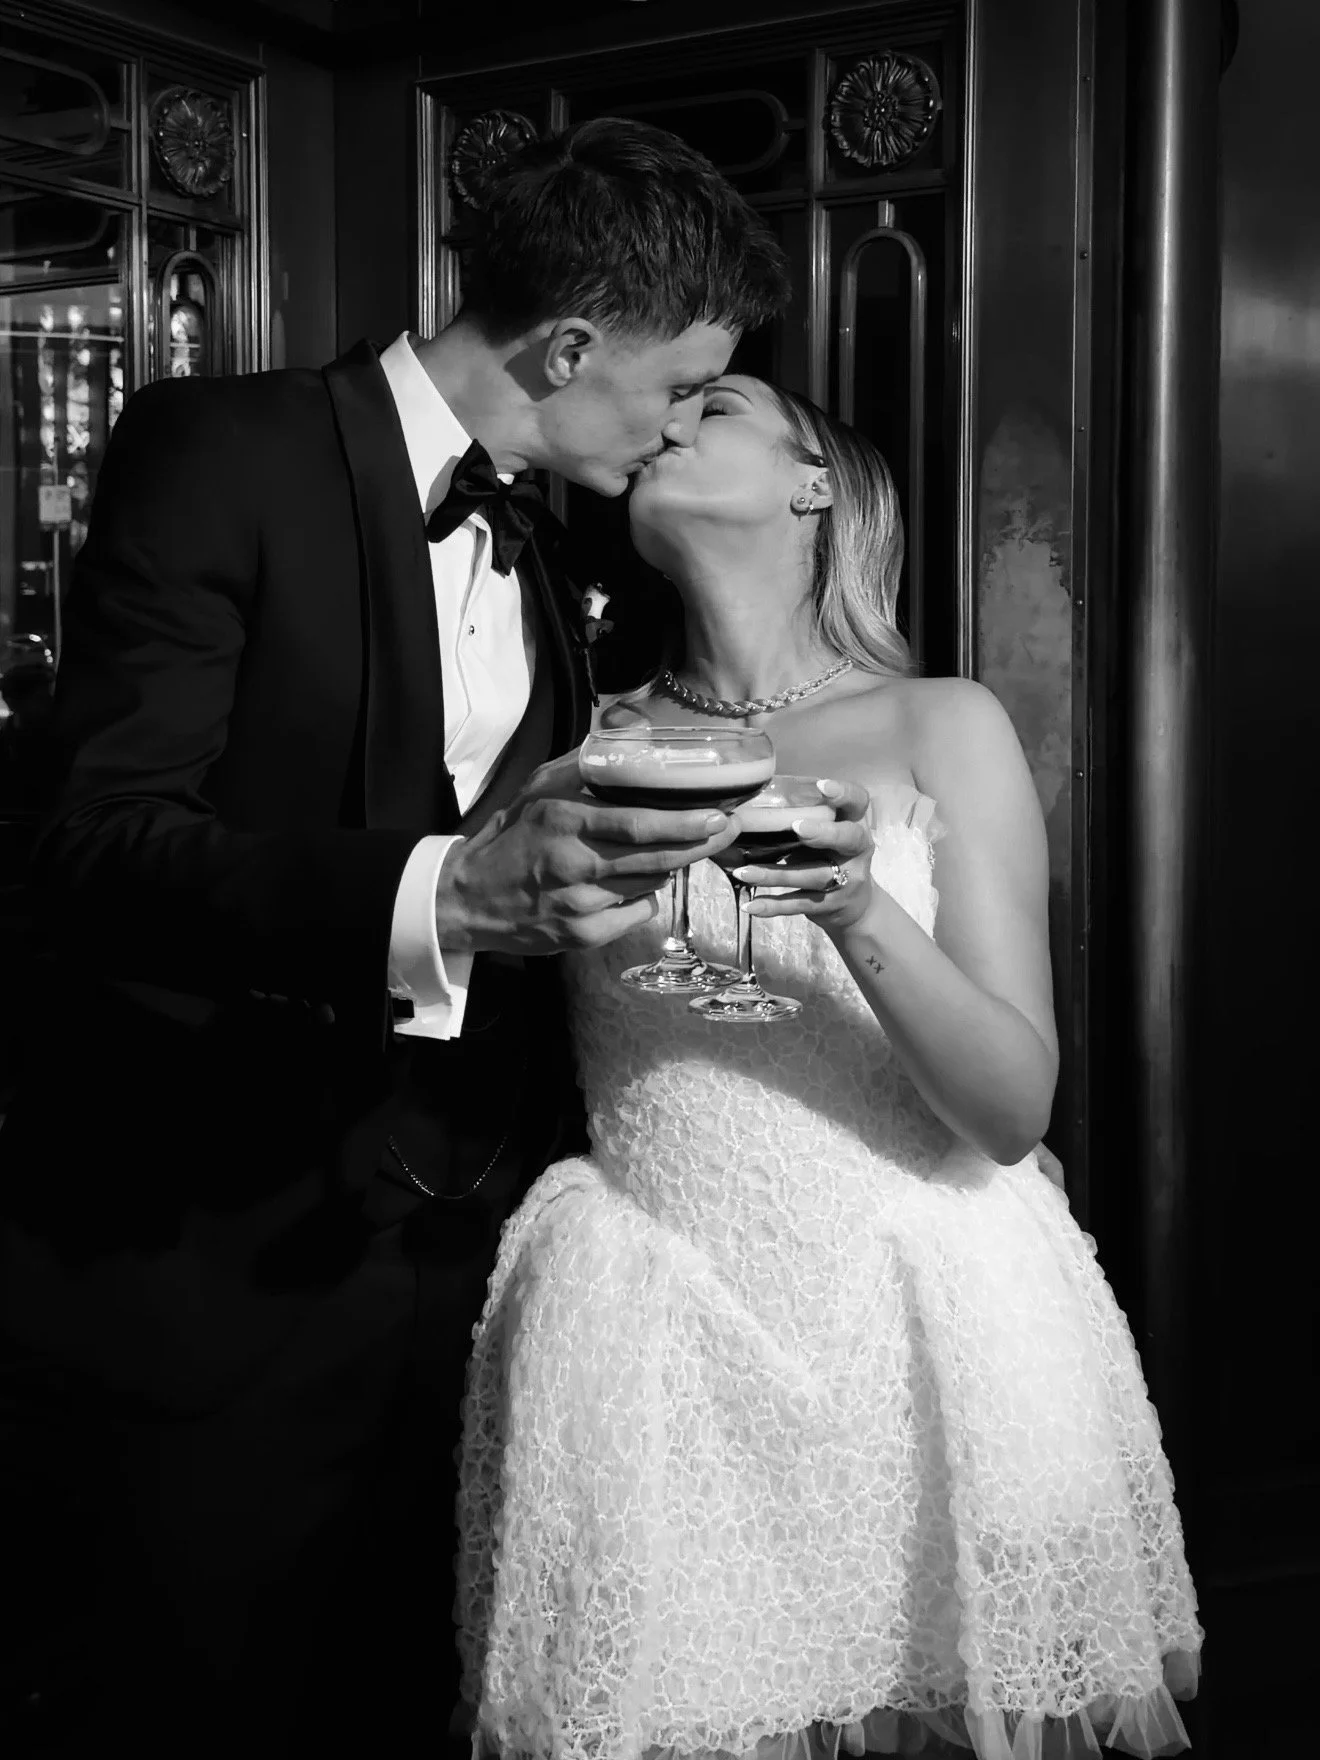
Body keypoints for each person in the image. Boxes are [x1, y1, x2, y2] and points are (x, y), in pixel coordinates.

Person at [0, 123, 790, 1754]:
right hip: (211, 1256)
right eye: (680, 387)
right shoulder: (225, 449)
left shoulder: (557, 542)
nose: (677, 429)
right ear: (569, 347)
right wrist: (447, 898)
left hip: (467, 1261)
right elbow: (90, 847)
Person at [454, 378, 1204, 1760]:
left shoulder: (940, 724)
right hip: (663, 1358)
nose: (671, 419)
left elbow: (1012, 1110)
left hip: (923, 1339)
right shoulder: (581, 737)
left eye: (719, 403)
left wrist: (856, 906)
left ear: (817, 486)